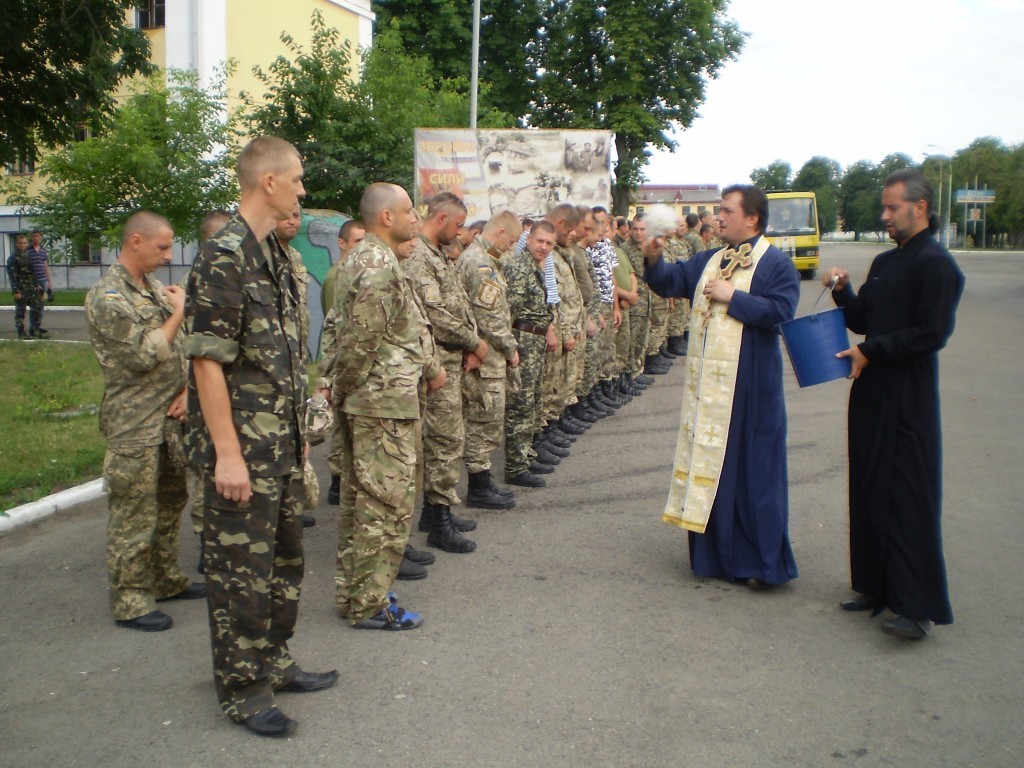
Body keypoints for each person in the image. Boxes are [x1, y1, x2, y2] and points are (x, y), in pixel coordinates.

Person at [185, 136, 337, 738]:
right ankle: (244, 690)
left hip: (279, 446)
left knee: (282, 566)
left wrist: (299, 437)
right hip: (242, 451)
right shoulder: (224, 257)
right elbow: (207, 363)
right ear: (267, 182)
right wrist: (227, 454)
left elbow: (281, 359)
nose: (302, 189)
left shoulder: (272, 253)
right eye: (296, 179)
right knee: (239, 578)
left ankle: (274, 660)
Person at [824, 168, 964, 641]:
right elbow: (866, 320)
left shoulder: (936, 264)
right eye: (884, 208)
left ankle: (916, 605)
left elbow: (931, 333)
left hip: (908, 396)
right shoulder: (886, 261)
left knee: (906, 496)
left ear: (919, 207)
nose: (884, 215)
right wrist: (843, 290)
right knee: (869, 485)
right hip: (872, 390)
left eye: (892, 207)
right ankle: (874, 586)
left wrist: (874, 351)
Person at [644, 184, 800, 588]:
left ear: (752, 218)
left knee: (755, 475)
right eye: (718, 210)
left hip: (752, 390)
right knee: (716, 471)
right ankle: (717, 559)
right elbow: (669, 281)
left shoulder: (775, 264)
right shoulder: (710, 259)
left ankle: (764, 565)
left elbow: (781, 311)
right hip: (711, 395)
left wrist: (734, 297)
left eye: (727, 211)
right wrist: (653, 255)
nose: (719, 217)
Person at [328, 182, 442, 628]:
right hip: (381, 404)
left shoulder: (369, 259)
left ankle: (357, 593)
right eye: (409, 211)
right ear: (387, 218)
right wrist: (345, 389)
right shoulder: (376, 263)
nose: (416, 218)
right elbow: (360, 341)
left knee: (364, 504)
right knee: (384, 506)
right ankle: (368, 604)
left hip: (375, 401)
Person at [85, 211, 205, 633]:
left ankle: (165, 577)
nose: (168, 255)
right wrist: (179, 311)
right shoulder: (108, 297)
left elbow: (184, 343)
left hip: (169, 416)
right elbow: (143, 353)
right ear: (135, 241)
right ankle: (131, 598)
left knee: (171, 500)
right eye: (162, 247)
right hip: (133, 421)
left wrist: (187, 390)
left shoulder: (153, 289)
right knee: (133, 511)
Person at [406, 192, 486, 553]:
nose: (460, 230)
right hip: (436, 363)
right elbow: (434, 315)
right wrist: (474, 340)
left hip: (452, 357)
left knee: (446, 439)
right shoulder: (420, 257)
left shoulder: (435, 254)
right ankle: (438, 520)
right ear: (440, 218)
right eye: (458, 223)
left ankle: (435, 511)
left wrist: (469, 345)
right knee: (444, 441)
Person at [456, 210, 523, 509]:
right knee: (483, 421)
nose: (510, 248)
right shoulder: (481, 264)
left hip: (485, 355)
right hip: (487, 358)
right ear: (499, 234)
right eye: (511, 242)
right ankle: (478, 485)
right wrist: (511, 349)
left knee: (486, 420)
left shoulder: (482, 259)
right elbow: (491, 317)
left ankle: (482, 481)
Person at [504, 221, 558, 487]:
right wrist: (511, 346)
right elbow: (509, 310)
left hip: (535, 340)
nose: (544, 247)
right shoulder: (518, 267)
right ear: (528, 239)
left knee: (533, 402)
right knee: (521, 405)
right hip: (522, 339)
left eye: (549, 243)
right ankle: (515, 467)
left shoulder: (536, 267)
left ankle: (525, 456)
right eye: (540, 241)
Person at [274, 204, 318, 529]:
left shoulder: (295, 261)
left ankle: (286, 515)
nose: (293, 221)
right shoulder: (254, 263)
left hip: (295, 374)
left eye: (297, 215)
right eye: (286, 215)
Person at [320, 218, 365, 505]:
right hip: (340, 356)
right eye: (357, 241)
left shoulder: (359, 272)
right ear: (342, 243)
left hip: (350, 356)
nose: (363, 247)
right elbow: (334, 321)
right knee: (340, 425)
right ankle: (337, 482)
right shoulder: (339, 276)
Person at [7, 234, 44, 339]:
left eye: (24, 243)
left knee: (37, 307)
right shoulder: (13, 258)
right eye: (20, 243)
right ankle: (21, 332)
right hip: (21, 288)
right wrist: (16, 291)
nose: (22, 245)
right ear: (16, 243)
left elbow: (33, 272)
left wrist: (37, 284)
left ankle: (35, 330)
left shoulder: (28, 255)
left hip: (31, 287)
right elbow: (12, 276)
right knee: (20, 311)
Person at [27, 230, 54, 328]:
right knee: (34, 304)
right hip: (32, 281)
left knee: (41, 303)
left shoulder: (43, 250)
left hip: (42, 280)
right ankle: (32, 327)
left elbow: (45, 266)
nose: (35, 238)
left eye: (37, 236)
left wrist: (49, 281)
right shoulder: (28, 250)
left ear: (40, 237)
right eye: (33, 236)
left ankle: (38, 326)